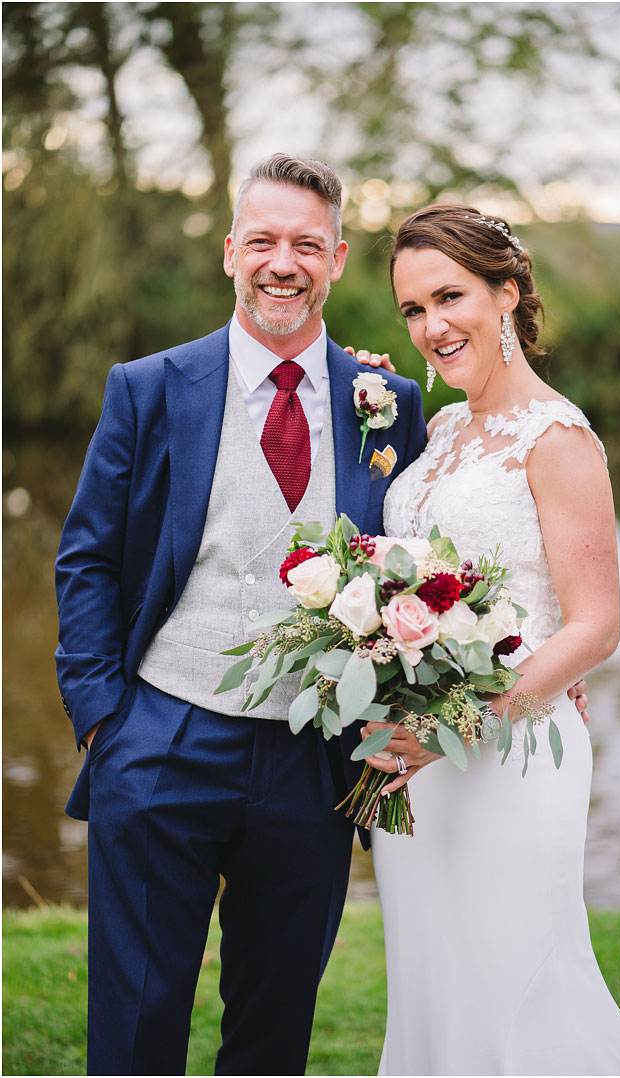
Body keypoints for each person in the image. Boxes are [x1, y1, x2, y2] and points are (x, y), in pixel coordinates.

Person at [53, 154, 428, 1074]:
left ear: (338, 258)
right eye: (262, 240)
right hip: (160, 739)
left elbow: (425, 566)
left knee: (273, 1027)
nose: (282, 262)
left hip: (312, 760)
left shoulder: (389, 404)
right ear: (229, 252)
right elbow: (89, 559)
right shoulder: (149, 388)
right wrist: (104, 718)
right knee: (136, 1022)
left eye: (307, 243)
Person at [353, 204, 620, 1075]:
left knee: (518, 987)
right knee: (432, 984)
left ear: (507, 295)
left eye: (449, 297)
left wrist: (461, 723)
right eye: (412, 308)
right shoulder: (442, 428)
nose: (430, 326)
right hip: (413, 757)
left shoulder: (557, 437)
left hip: (510, 749)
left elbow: (596, 623)